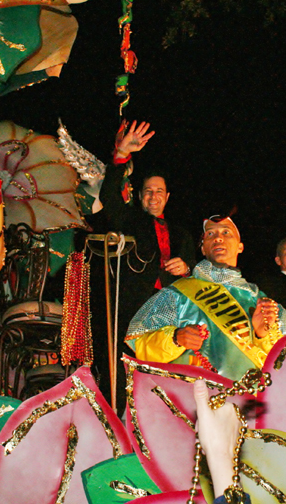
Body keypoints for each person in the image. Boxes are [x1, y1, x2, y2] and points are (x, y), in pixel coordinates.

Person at [96, 120, 195, 412]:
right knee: (120, 369)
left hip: (170, 313)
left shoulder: (182, 234)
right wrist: (121, 156)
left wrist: (186, 268)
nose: (153, 196)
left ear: (167, 197)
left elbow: (193, 271)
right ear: (140, 197)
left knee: (164, 376)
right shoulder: (130, 221)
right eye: (148, 191)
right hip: (131, 306)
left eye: (159, 191)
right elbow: (109, 197)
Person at [125, 216, 286, 380]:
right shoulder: (176, 294)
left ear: (240, 247)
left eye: (226, 233)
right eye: (210, 234)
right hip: (191, 402)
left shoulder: (263, 304)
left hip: (246, 402)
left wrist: (262, 335)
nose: (218, 238)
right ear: (203, 248)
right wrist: (175, 338)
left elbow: (282, 369)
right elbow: (140, 346)